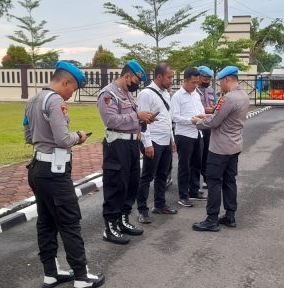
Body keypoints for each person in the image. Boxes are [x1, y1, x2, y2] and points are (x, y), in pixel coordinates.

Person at [24, 61, 105, 288]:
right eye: (74, 88)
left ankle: (51, 273)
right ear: (65, 81)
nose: (72, 94)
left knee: (47, 222)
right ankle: (81, 276)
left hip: (38, 169)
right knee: (70, 222)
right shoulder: (56, 100)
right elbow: (62, 139)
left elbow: (29, 136)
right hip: (55, 172)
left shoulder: (33, 100)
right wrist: (78, 136)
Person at [97, 60, 156, 245]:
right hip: (117, 145)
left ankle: (123, 220)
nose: (137, 85)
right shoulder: (108, 94)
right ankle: (110, 227)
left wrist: (144, 120)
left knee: (131, 184)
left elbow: (131, 120)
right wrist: (136, 116)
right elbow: (111, 120)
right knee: (116, 185)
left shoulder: (128, 95)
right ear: (127, 76)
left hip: (132, 145)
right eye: (136, 81)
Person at [191, 66, 249, 232]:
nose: (219, 86)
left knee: (214, 182)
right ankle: (230, 215)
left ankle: (212, 218)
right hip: (234, 145)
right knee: (230, 181)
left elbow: (215, 122)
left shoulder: (228, 98)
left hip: (220, 148)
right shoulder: (244, 96)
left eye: (220, 82)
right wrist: (207, 116)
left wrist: (198, 122)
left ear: (227, 80)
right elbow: (224, 117)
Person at [135, 64, 178, 224]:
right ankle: (142, 210)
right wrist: (147, 144)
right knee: (147, 176)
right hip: (152, 141)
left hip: (165, 140)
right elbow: (143, 121)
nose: (171, 80)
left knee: (162, 175)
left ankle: (160, 205)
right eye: (169, 77)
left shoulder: (166, 93)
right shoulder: (146, 94)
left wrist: (172, 140)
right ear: (159, 77)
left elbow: (167, 118)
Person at [171, 67, 206, 208]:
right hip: (184, 135)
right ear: (185, 80)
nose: (195, 85)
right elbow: (174, 116)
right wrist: (190, 120)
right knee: (184, 165)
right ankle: (183, 195)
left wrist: (202, 115)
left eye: (197, 82)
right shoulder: (177, 96)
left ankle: (194, 190)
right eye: (193, 82)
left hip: (198, 133)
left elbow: (200, 110)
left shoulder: (196, 94)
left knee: (197, 163)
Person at [196, 66, 217, 189]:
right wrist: (205, 110)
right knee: (197, 155)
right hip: (197, 126)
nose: (207, 80)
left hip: (209, 127)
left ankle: (206, 178)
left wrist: (213, 109)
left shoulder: (211, 90)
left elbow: (214, 104)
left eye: (209, 78)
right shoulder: (194, 90)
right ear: (199, 77)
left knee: (207, 154)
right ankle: (193, 182)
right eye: (205, 77)